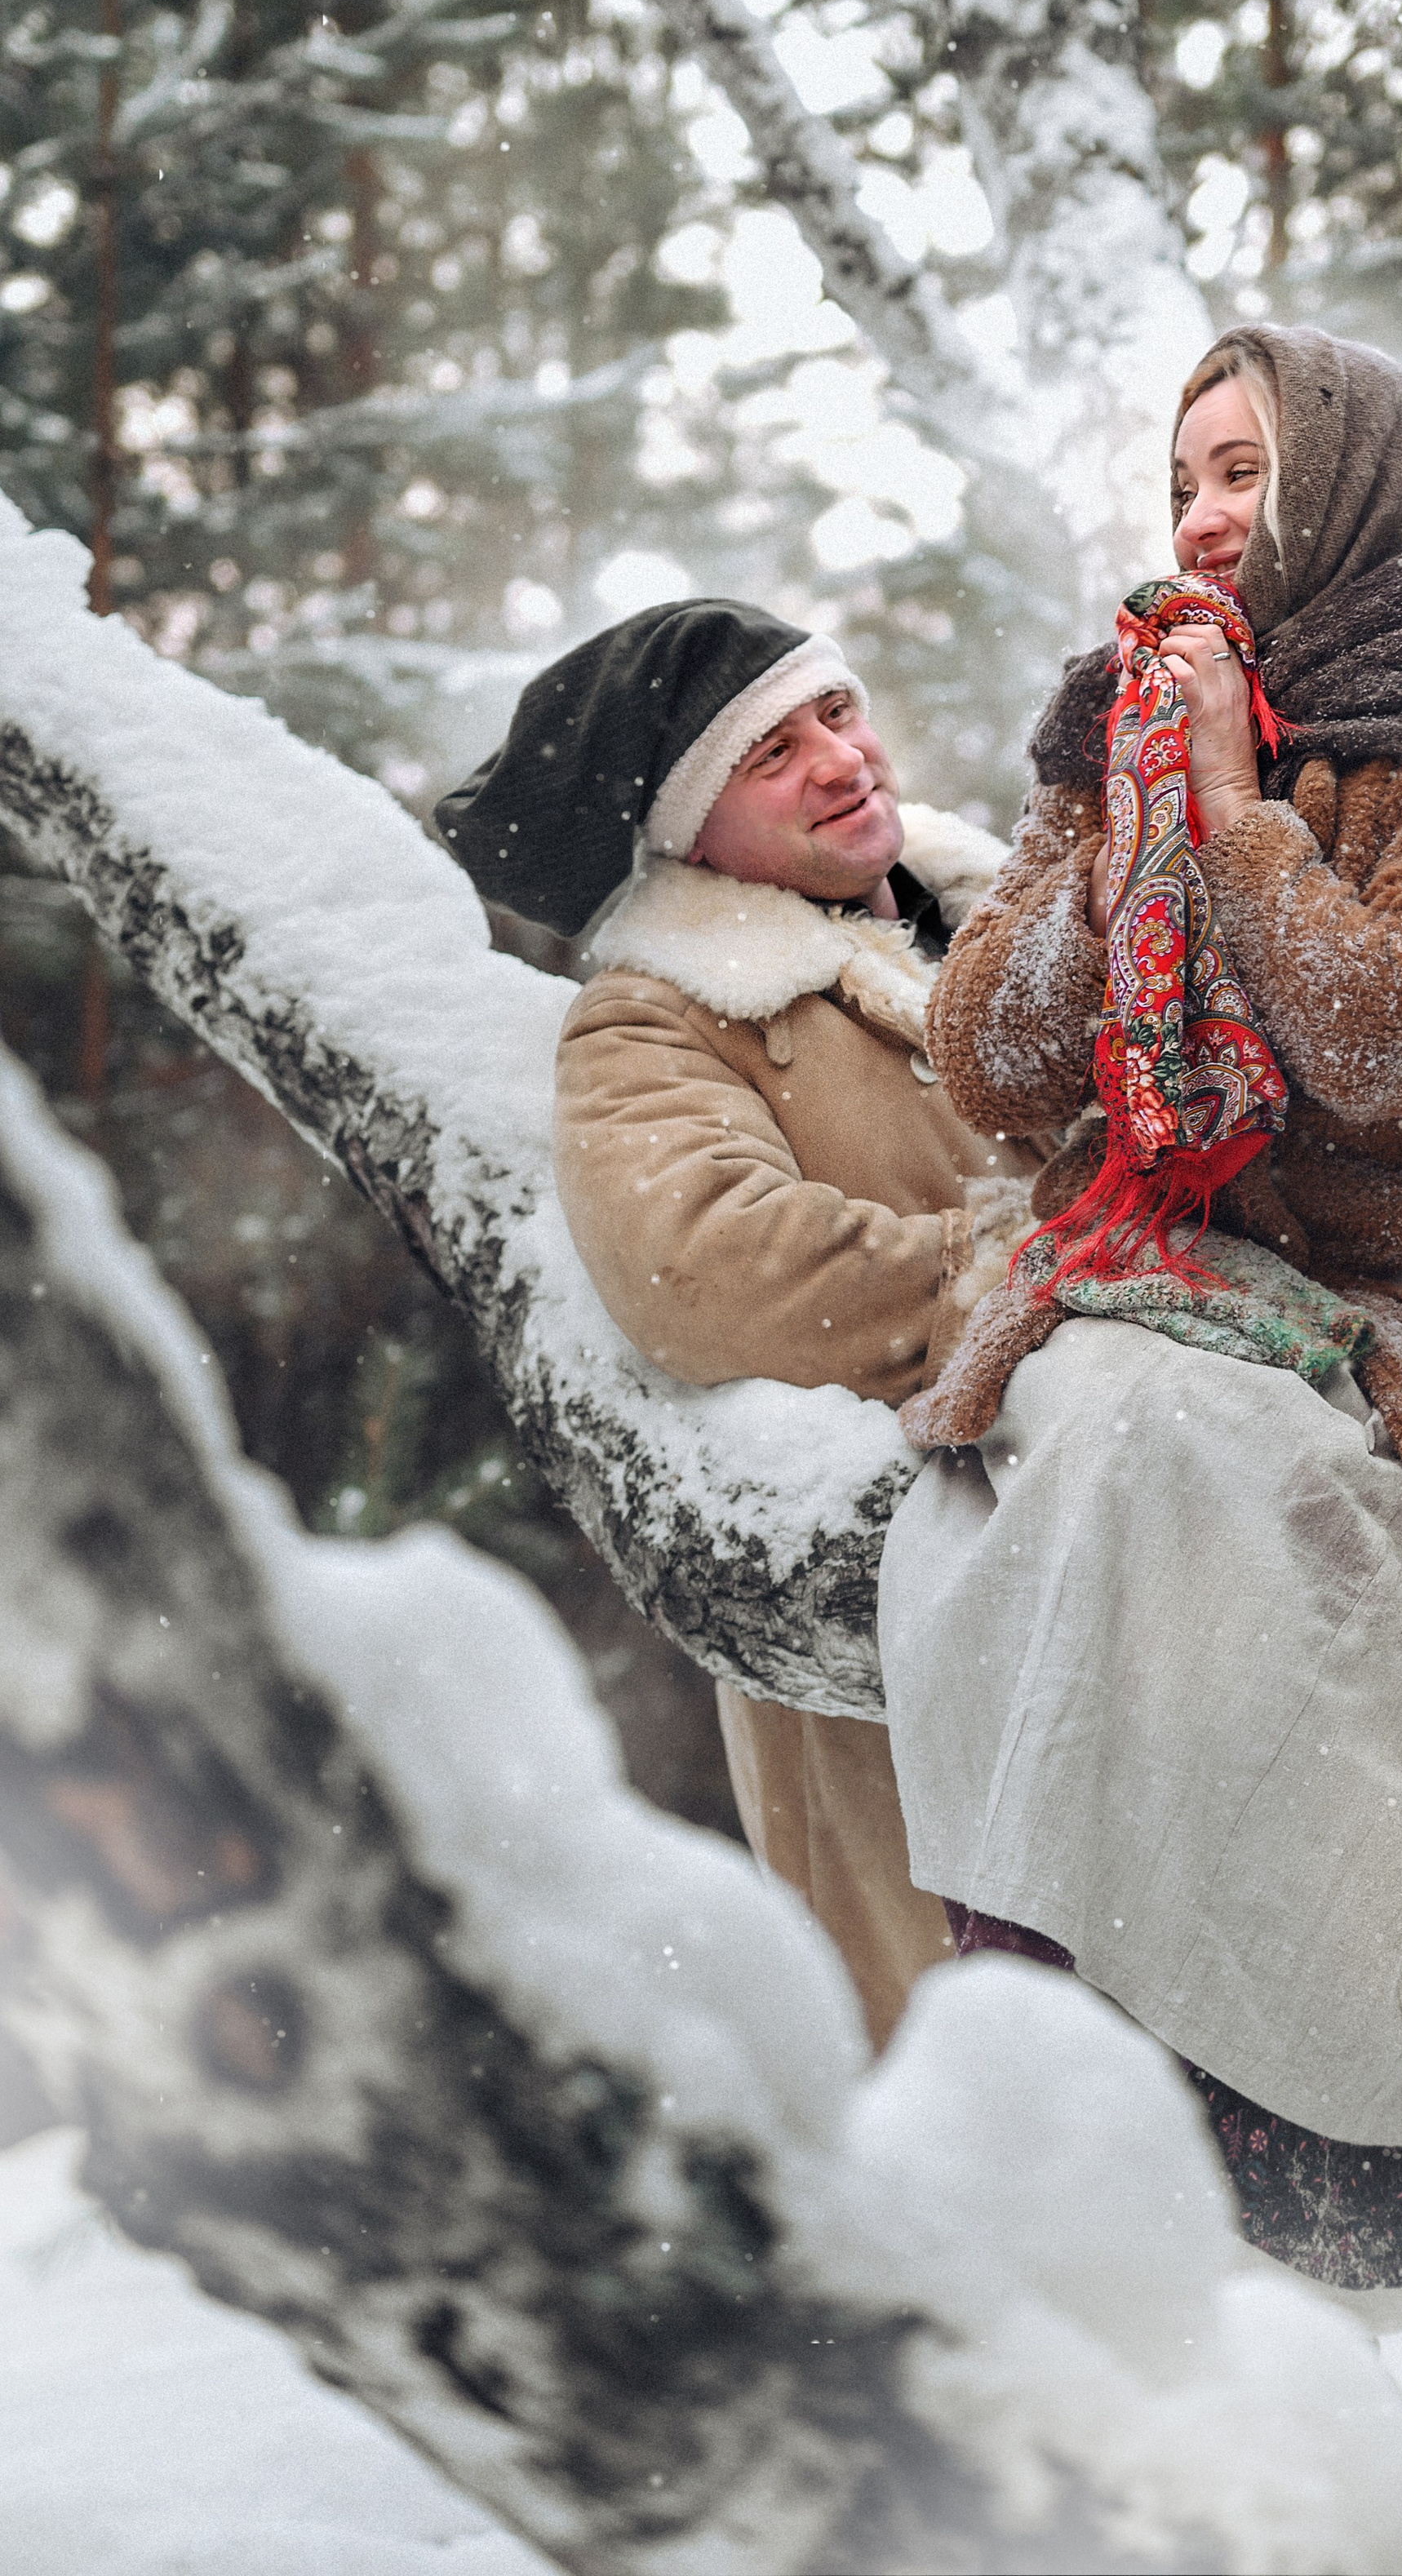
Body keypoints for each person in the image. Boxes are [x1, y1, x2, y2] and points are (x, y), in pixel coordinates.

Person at [881, 322, 1402, 2321]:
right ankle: (1066, 2074)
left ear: (1354, 480)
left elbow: (1383, 1032)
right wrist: (1132, 801)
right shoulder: (1116, 718)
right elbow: (987, 1060)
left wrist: (1231, 808)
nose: (1206, 519)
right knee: (1072, 1475)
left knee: (1204, 1482)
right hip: (1177, 1284)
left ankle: (1296, 2150)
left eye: (1246, 474)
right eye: (1182, 483)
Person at [433, 598, 1039, 2048]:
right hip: (898, 1628)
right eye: (772, 752)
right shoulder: (659, 1017)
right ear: (688, 829)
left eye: (837, 712)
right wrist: (1038, 1274)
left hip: (1146, 1556)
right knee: (992, 2090)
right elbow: (704, 1269)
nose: (841, 759)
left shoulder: (1013, 914)